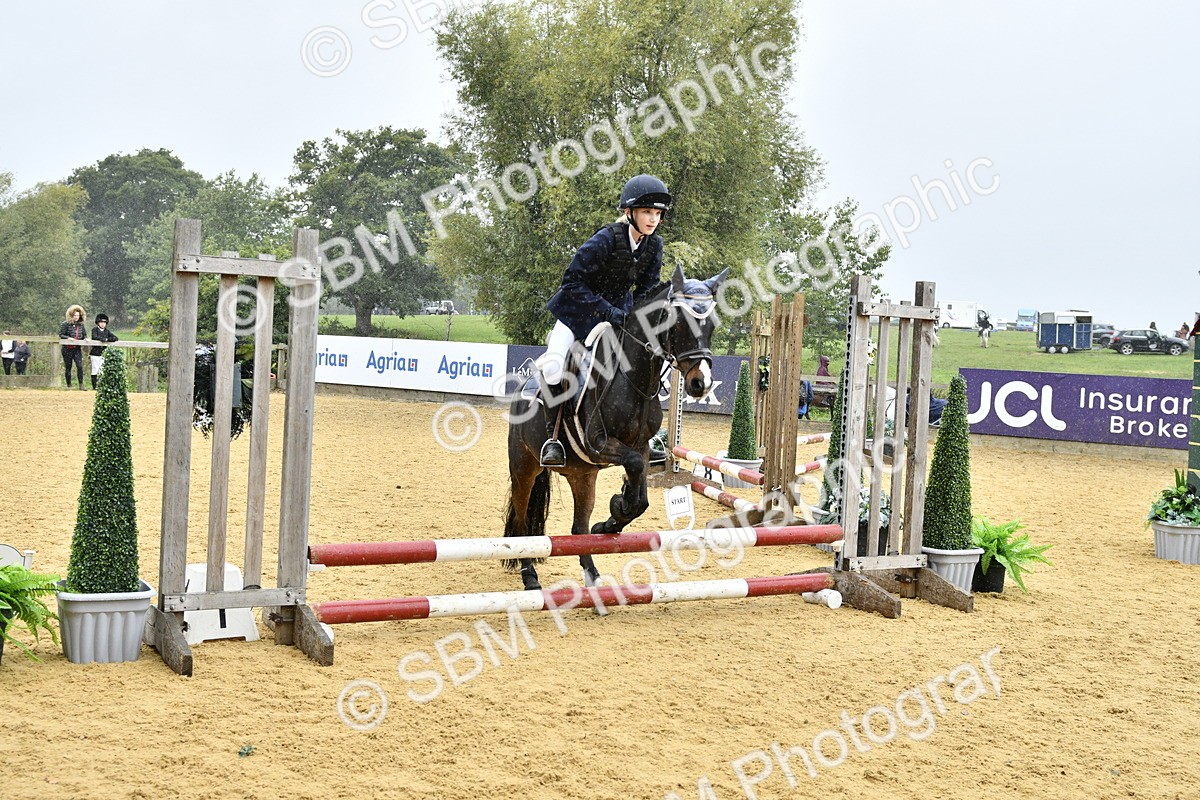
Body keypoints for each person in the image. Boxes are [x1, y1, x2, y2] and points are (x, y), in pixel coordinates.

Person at [535, 174, 671, 467]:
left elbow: (647, 291)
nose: (653, 219)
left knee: (644, 361)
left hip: (619, 319)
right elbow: (571, 282)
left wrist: (639, 318)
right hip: (577, 313)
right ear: (629, 212)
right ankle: (553, 438)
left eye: (657, 214)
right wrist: (608, 311)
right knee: (555, 368)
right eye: (647, 212)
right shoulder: (606, 238)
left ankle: (646, 434)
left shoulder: (653, 246)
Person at [58, 304, 87, 389]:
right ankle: (69, 385)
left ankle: (81, 385)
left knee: (80, 366)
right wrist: (68, 338)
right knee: (68, 367)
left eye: (78, 315)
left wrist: (86, 339)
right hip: (67, 349)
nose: (76, 317)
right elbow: (61, 335)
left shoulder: (81, 325)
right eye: (75, 315)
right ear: (71, 315)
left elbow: (84, 335)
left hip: (77, 349)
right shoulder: (65, 324)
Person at [89, 313, 119, 389]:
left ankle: (100, 386)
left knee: (102, 369)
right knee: (95, 369)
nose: (103, 324)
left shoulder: (107, 331)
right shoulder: (94, 330)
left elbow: (115, 338)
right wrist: (102, 339)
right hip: (95, 353)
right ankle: (94, 386)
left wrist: (107, 339)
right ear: (98, 323)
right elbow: (95, 337)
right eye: (101, 322)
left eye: (104, 323)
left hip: (103, 353)